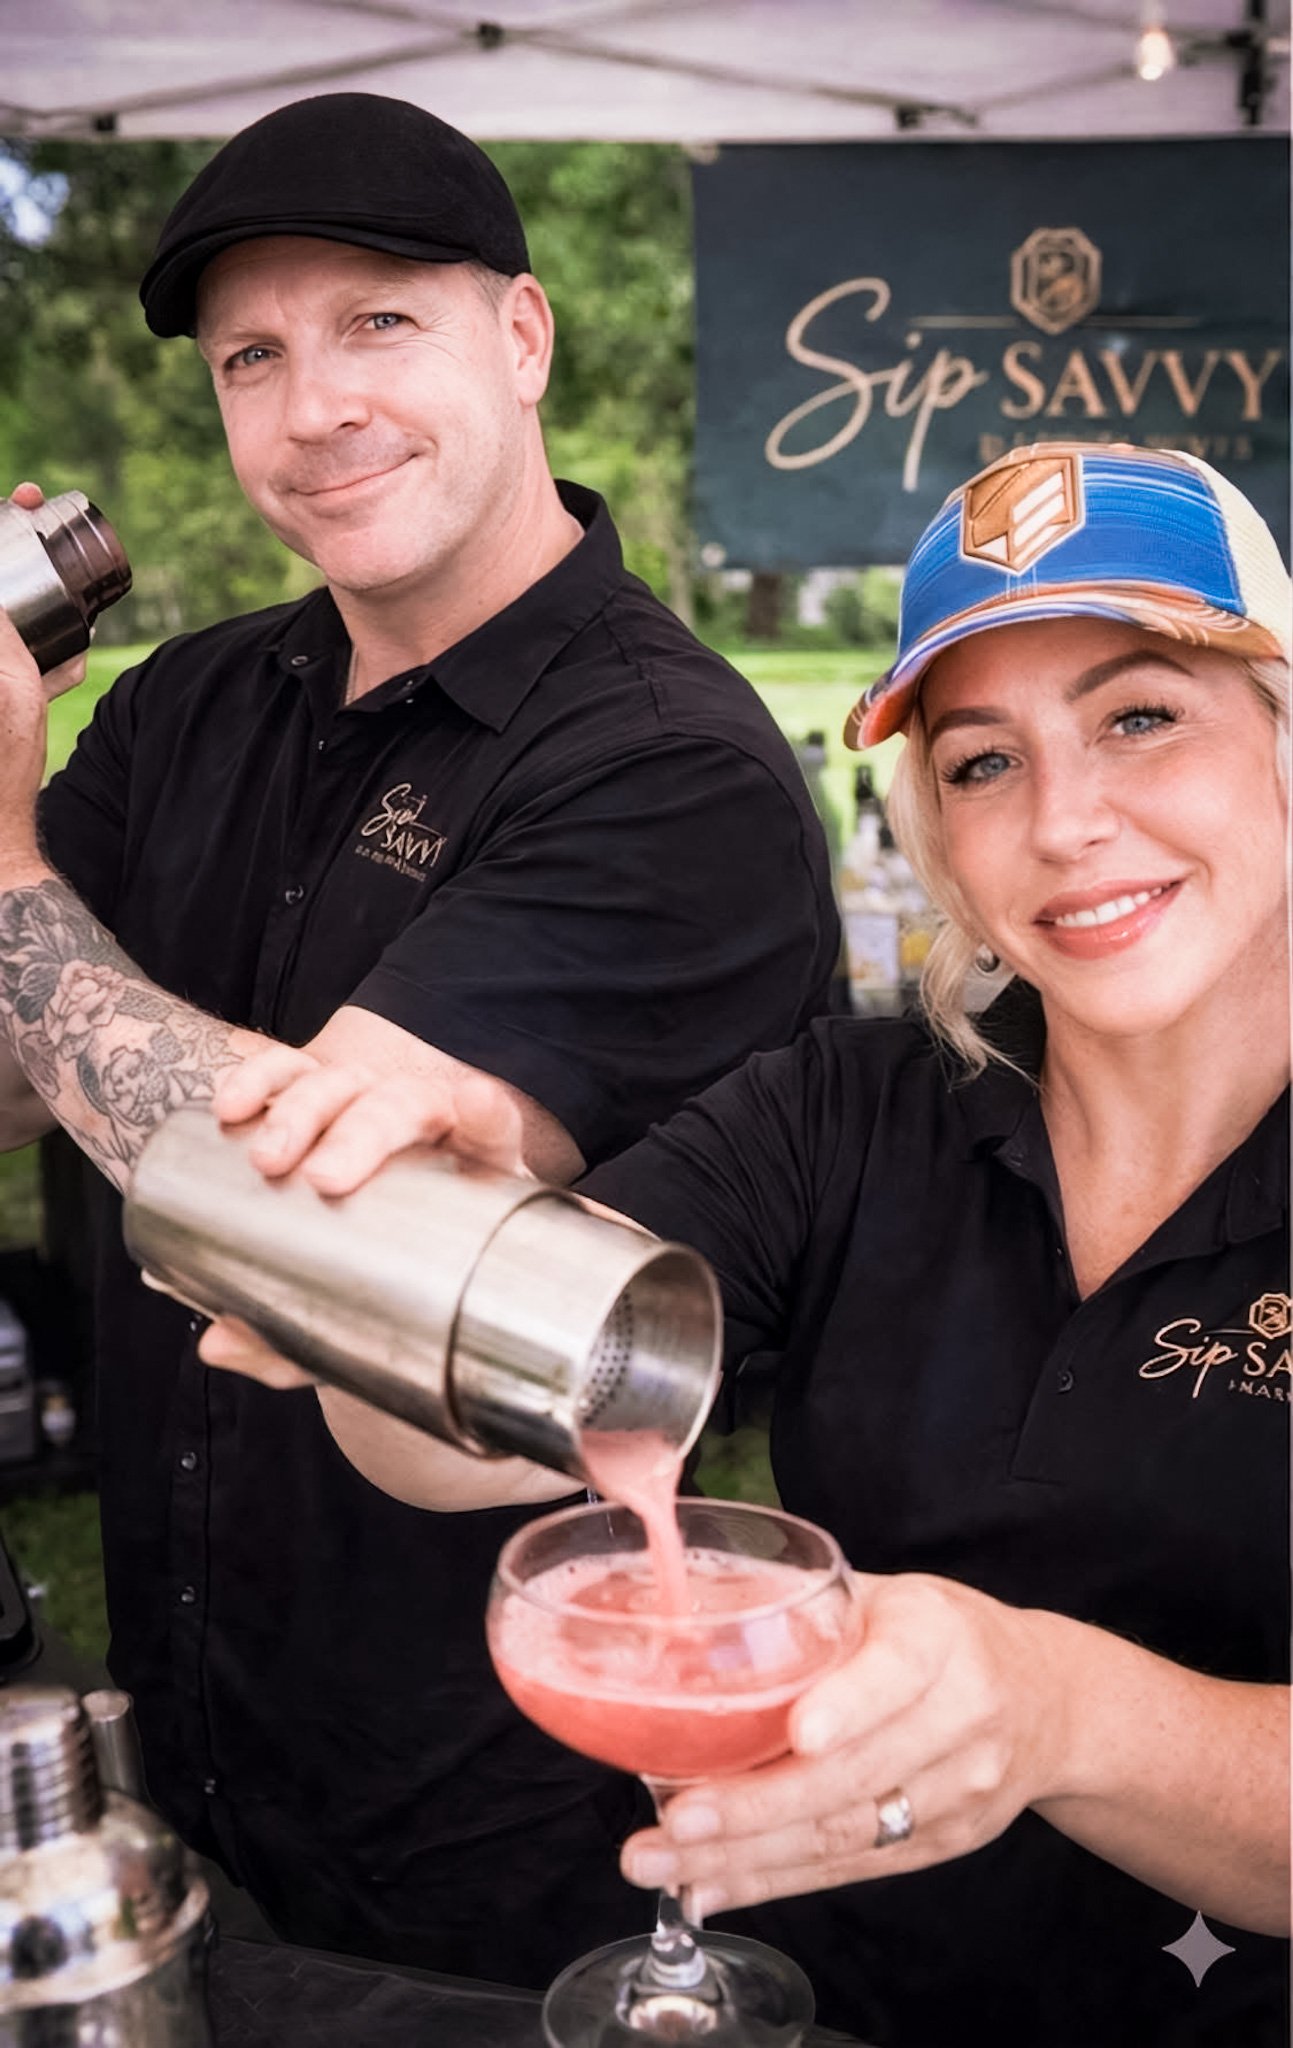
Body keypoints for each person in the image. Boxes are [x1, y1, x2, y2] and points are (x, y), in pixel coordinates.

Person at [209, 441, 1290, 2047]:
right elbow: (464, 1452)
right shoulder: (851, 1109)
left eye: (1140, 715)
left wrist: (1060, 1711)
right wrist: (410, 1278)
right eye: (980, 760)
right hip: (826, 1999)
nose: (1064, 821)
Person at [0, 93, 841, 1982]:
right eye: (253, 357)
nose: (313, 408)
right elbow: (25, 1067)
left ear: (523, 337)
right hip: (193, 1733)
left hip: (503, 1811)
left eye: (379, 322)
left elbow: (300, 1181)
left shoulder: (666, 772)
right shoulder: (197, 701)